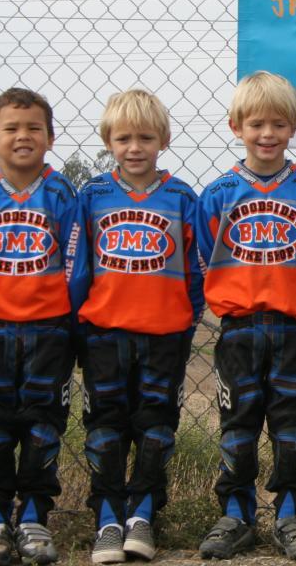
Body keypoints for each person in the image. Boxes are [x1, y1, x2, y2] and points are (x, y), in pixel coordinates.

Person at [195, 71, 296, 561]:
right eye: (257, 124)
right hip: (238, 330)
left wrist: (294, 292)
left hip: (291, 329)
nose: (268, 134)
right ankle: (235, 514)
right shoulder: (218, 194)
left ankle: (290, 513)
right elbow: (205, 259)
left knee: (292, 425)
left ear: (293, 126)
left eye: (278, 123)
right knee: (238, 425)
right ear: (236, 127)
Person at [0, 88, 84, 566]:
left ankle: (33, 516)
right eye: (11, 128)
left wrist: (59, 312)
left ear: (50, 138)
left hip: (51, 329)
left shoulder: (61, 192)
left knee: (44, 423)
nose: (22, 136)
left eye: (33, 128)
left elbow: (75, 258)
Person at [72, 89, 204, 563]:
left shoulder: (182, 197)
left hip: (163, 333)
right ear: (108, 140)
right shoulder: (91, 195)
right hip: (104, 333)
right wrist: (78, 329)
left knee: (155, 426)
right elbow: (78, 268)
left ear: (163, 140)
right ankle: (107, 518)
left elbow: (196, 273)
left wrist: (185, 325)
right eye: (123, 137)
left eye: (145, 137)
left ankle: (143, 514)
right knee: (105, 426)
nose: (134, 147)